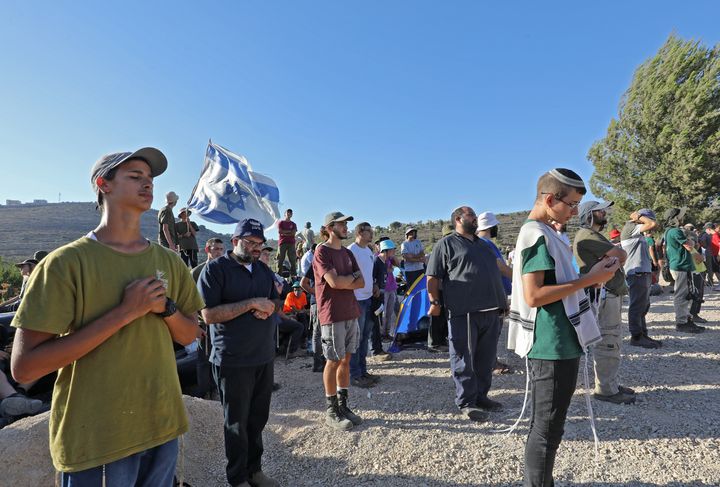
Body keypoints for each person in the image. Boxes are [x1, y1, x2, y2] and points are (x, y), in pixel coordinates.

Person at [11, 147, 204, 486]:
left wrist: (167, 310)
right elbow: (25, 368)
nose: (148, 185)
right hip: (98, 439)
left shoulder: (171, 263)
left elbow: (190, 336)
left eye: (150, 179)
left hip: (163, 427)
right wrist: (125, 312)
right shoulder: (64, 264)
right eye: (135, 177)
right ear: (104, 184)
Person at [508, 168, 619, 487]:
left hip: (563, 340)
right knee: (546, 429)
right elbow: (535, 295)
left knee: (551, 427)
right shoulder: (535, 234)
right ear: (548, 198)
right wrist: (590, 279)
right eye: (570, 204)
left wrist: (594, 273)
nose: (575, 212)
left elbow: (560, 282)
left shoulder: (550, 231)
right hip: (550, 344)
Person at [198, 218, 281, 487]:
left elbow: (276, 300)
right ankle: (237, 478)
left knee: (258, 419)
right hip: (232, 359)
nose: (257, 249)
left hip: (263, 356)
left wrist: (269, 306)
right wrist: (250, 304)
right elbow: (208, 315)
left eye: (260, 244)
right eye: (251, 243)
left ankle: (254, 470)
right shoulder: (215, 270)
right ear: (235, 241)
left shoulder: (263, 271)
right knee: (236, 422)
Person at [426, 206, 508, 422]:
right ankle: (466, 402)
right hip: (465, 311)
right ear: (458, 219)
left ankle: (481, 396)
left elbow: (496, 271)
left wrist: (502, 302)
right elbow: (432, 278)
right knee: (463, 357)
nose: (475, 218)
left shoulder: (484, 245)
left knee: (486, 358)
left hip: (491, 310)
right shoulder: (446, 244)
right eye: (471, 215)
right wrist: (434, 302)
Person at [574, 201, 635, 404]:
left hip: (606, 292)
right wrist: (614, 259)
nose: (604, 212)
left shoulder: (593, 235)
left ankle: (610, 384)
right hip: (604, 294)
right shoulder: (587, 235)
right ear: (588, 215)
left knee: (611, 338)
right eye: (599, 210)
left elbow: (616, 257)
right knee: (608, 339)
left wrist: (612, 259)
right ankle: (606, 389)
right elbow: (621, 254)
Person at [312, 211, 364, 430]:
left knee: (346, 360)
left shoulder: (347, 253)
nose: (346, 227)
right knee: (333, 361)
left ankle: (343, 405)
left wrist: (347, 280)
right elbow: (333, 283)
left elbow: (361, 282)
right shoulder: (321, 252)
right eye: (341, 224)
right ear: (329, 228)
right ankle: (331, 410)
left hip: (351, 312)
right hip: (331, 314)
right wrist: (348, 280)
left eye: (346, 224)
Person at [476, 212, 513, 373]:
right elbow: (499, 266)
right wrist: (518, 278)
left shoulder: (478, 243)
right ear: (491, 227)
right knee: (492, 331)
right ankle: (491, 363)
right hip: (494, 295)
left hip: (487, 293)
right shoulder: (486, 244)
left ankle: (487, 362)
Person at [620, 209, 662, 348]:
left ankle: (643, 334)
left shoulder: (638, 231)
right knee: (637, 306)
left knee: (643, 306)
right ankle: (636, 337)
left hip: (643, 273)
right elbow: (652, 224)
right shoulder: (631, 227)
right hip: (636, 273)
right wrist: (638, 216)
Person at [663, 208, 705, 334]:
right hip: (681, 266)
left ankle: (686, 319)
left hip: (680, 266)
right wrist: (699, 256)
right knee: (681, 295)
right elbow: (690, 245)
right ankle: (681, 322)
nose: (682, 218)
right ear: (675, 218)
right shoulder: (675, 231)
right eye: (680, 216)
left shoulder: (669, 231)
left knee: (686, 295)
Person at [348, 222, 380, 388]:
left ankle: (363, 370)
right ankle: (354, 374)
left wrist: (374, 284)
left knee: (365, 337)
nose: (372, 234)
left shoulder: (368, 251)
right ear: (360, 232)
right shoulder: (351, 250)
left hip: (368, 299)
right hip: (356, 300)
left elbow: (369, 273)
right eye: (369, 231)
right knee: (356, 338)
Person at [277, 208, 298, 275]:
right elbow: (280, 231)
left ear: (292, 215)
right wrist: (289, 231)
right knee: (280, 259)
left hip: (291, 243)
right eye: (288, 212)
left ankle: (294, 276)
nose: (289, 214)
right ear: (285, 214)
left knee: (293, 260)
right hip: (282, 243)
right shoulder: (281, 223)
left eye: (290, 213)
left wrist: (285, 232)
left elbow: (293, 233)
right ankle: (278, 275)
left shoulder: (293, 224)